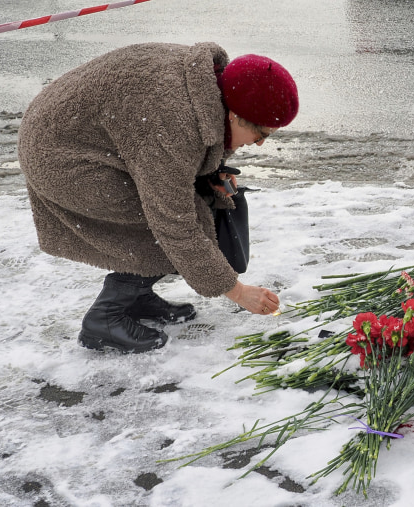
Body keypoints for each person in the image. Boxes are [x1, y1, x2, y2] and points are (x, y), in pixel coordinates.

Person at [17, 42, 299, 353]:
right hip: (61, 159)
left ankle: (136, 297)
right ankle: (105, 318)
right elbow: (174, 224)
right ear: (234, 115)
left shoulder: (205, 86)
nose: (259, 144)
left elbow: (178, 145)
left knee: (187, 202)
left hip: (83, 140)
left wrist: (211, 171)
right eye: (262, 134)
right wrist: (237, 291)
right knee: (172, 221)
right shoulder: (175, 124)